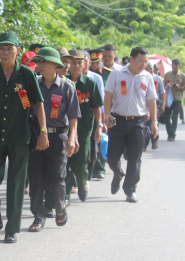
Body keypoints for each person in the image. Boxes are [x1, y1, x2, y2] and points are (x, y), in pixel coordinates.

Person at [0, 32, 47, 244]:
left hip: (20, 136)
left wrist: (43, 131)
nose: (6, 52)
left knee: (16, 183)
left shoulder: (26, 74)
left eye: (10, 48)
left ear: (18, 50)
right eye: (2, 48)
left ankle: (12, 228)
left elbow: (39, 104)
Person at [27, 47, 80, 231]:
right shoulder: (34, 84)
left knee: (57, 177)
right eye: (38, 62)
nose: (40, 65)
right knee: (35, 178)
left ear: (55, 65)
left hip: (58, 136)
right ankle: (38, 217)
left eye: (44, 62)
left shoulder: (67, 87)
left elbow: (73, 116)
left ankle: (60, 206)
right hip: (35, 136)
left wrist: (72, 138)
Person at [103, 47, 158, 203]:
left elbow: (151, 100)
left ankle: (130, 190)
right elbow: (108, 94)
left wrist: (154, 122)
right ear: (131, 59)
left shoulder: (147, 77)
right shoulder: (117, 73)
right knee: (112, 157)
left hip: (138, 122)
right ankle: (118, 173)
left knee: (135, 158)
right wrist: (107, 114)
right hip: (118, 121)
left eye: (146, 62)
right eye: (140, 61)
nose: (143, 64)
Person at [65, 50, 102, 203]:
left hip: (84, 129)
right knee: (65, 162)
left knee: (82, 161)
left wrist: (99, 125)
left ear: (85, 64)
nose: (76, 65)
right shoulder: (63, 81)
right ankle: (66, 194)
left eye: (80, 62)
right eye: (73, 62)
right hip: (64, 129)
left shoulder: (90, 83)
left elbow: (96, 107)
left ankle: (82, 185)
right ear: (68, 64)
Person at [82, 51, 105, 180]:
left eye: (85, 61)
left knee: (93, 151)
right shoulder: (70, 78)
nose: (82, 64)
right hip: (76, 119)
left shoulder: (96, 78)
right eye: (79, 61)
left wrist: (101, 123)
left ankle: (86, 177)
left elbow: (100, 103)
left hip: (93, 119)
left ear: (89, 63)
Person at [164, 59, 185, 142]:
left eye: (176, 68)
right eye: (173, 67)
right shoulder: (167, 75)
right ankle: (170, 132)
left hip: (177, 99)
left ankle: (172, 135)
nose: (174, 69)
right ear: (171, 66)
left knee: (174, 117)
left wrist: (178, 87)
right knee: (166, 117)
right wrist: (168, 85)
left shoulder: (182, 76)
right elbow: (164, 85)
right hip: (168, 99)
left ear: (179, 67)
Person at [144, 66, 165, 151]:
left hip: (155, 103)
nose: (149, 70)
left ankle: (154, 141)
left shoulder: (158, 79)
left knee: (154, 122)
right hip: (144, 103)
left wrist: (163, 104)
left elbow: (162, 92)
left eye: (150, 68)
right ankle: (144, 144)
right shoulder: (142, 77)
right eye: (147, 68)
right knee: (144, 125)